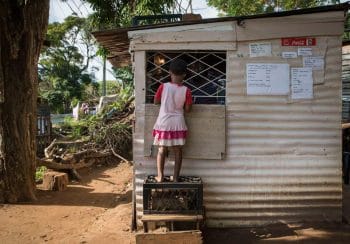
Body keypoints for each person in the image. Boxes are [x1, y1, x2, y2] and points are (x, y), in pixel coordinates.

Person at [152, 59, 192, 182]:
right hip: (178, 123)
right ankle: (175, 178)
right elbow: (188, 109)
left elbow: (156, 102)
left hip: (164, 122)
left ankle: (160, 176)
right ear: (184, 74)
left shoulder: (163, 87)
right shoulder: (187, 90)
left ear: (169, 72)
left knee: (161, 149)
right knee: (178, 150)